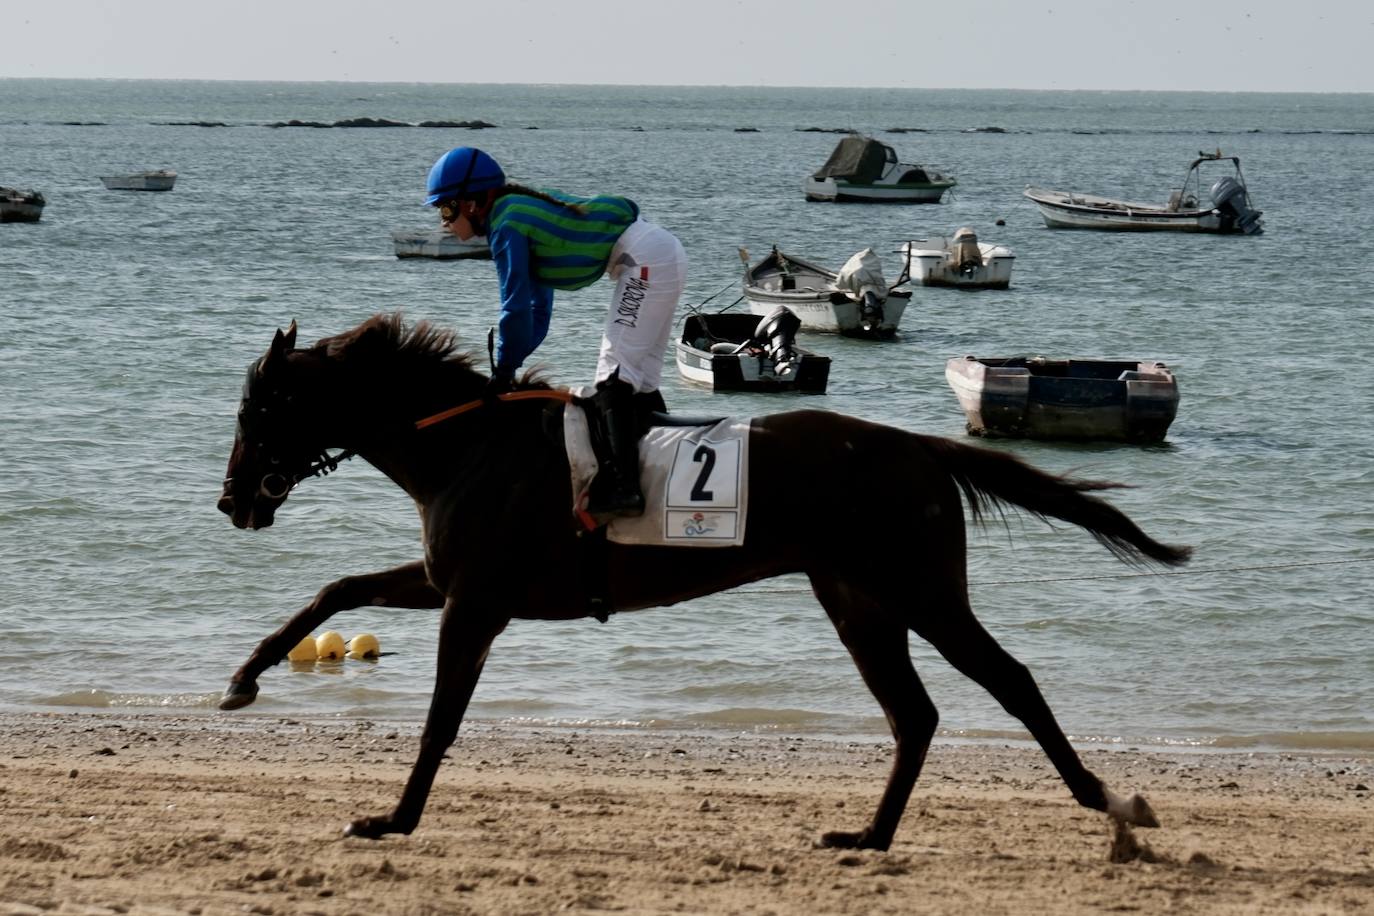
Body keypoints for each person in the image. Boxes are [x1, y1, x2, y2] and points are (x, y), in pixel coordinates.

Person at [425, 146, 687, 519]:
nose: (444, 222)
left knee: (613, 376)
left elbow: (514, 307)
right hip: (659, 252)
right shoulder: (514, 211)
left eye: (445, 210)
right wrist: (510, 367)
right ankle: (660, 473)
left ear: (471, 203)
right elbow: (538, 311)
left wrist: (504, 370)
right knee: (640, 381)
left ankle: (625, 489)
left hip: (643, 259)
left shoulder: (506, 224)